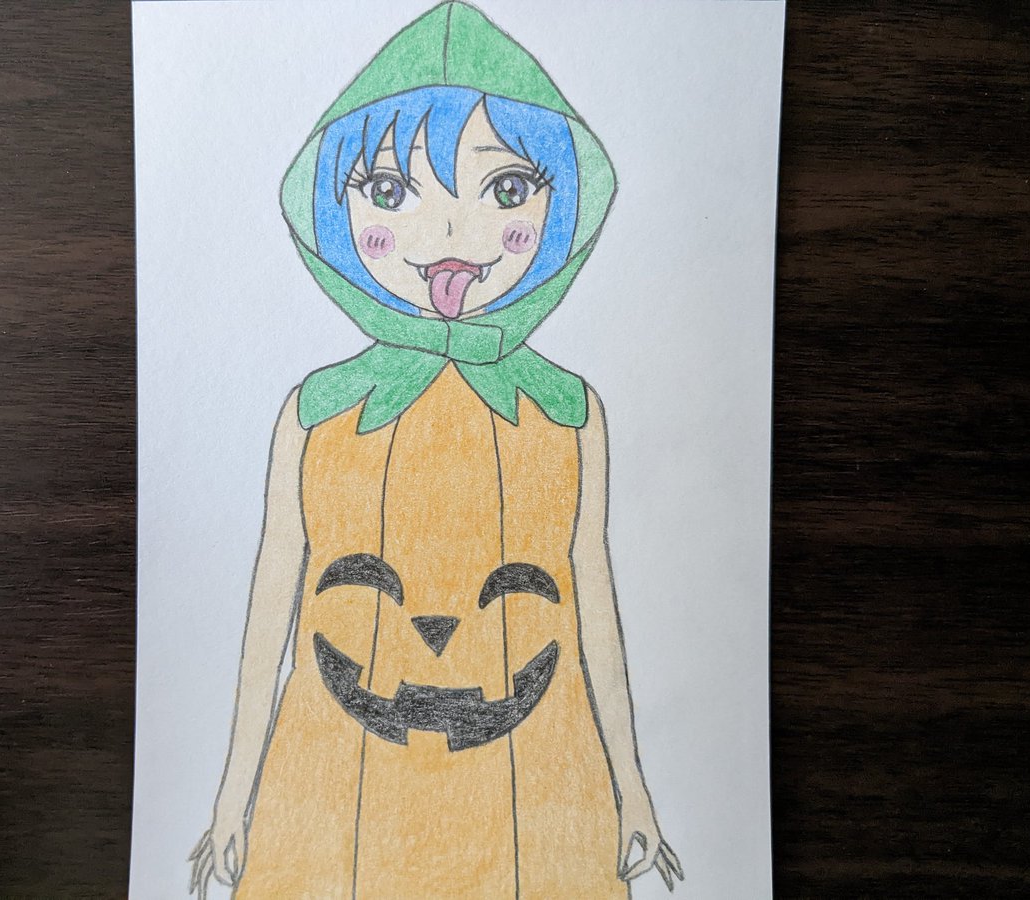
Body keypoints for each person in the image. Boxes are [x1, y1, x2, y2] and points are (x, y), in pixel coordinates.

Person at [191, 3, 682, 896]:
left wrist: (633, 790)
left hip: (537, 783)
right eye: (390, 193)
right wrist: (234, 798)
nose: (451, 233)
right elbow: (272, 605)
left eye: (506, 190)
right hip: (335, 786)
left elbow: (591, 600)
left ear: (563, 200)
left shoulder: (571, 414)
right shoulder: (316, 413)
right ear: (331, 203)